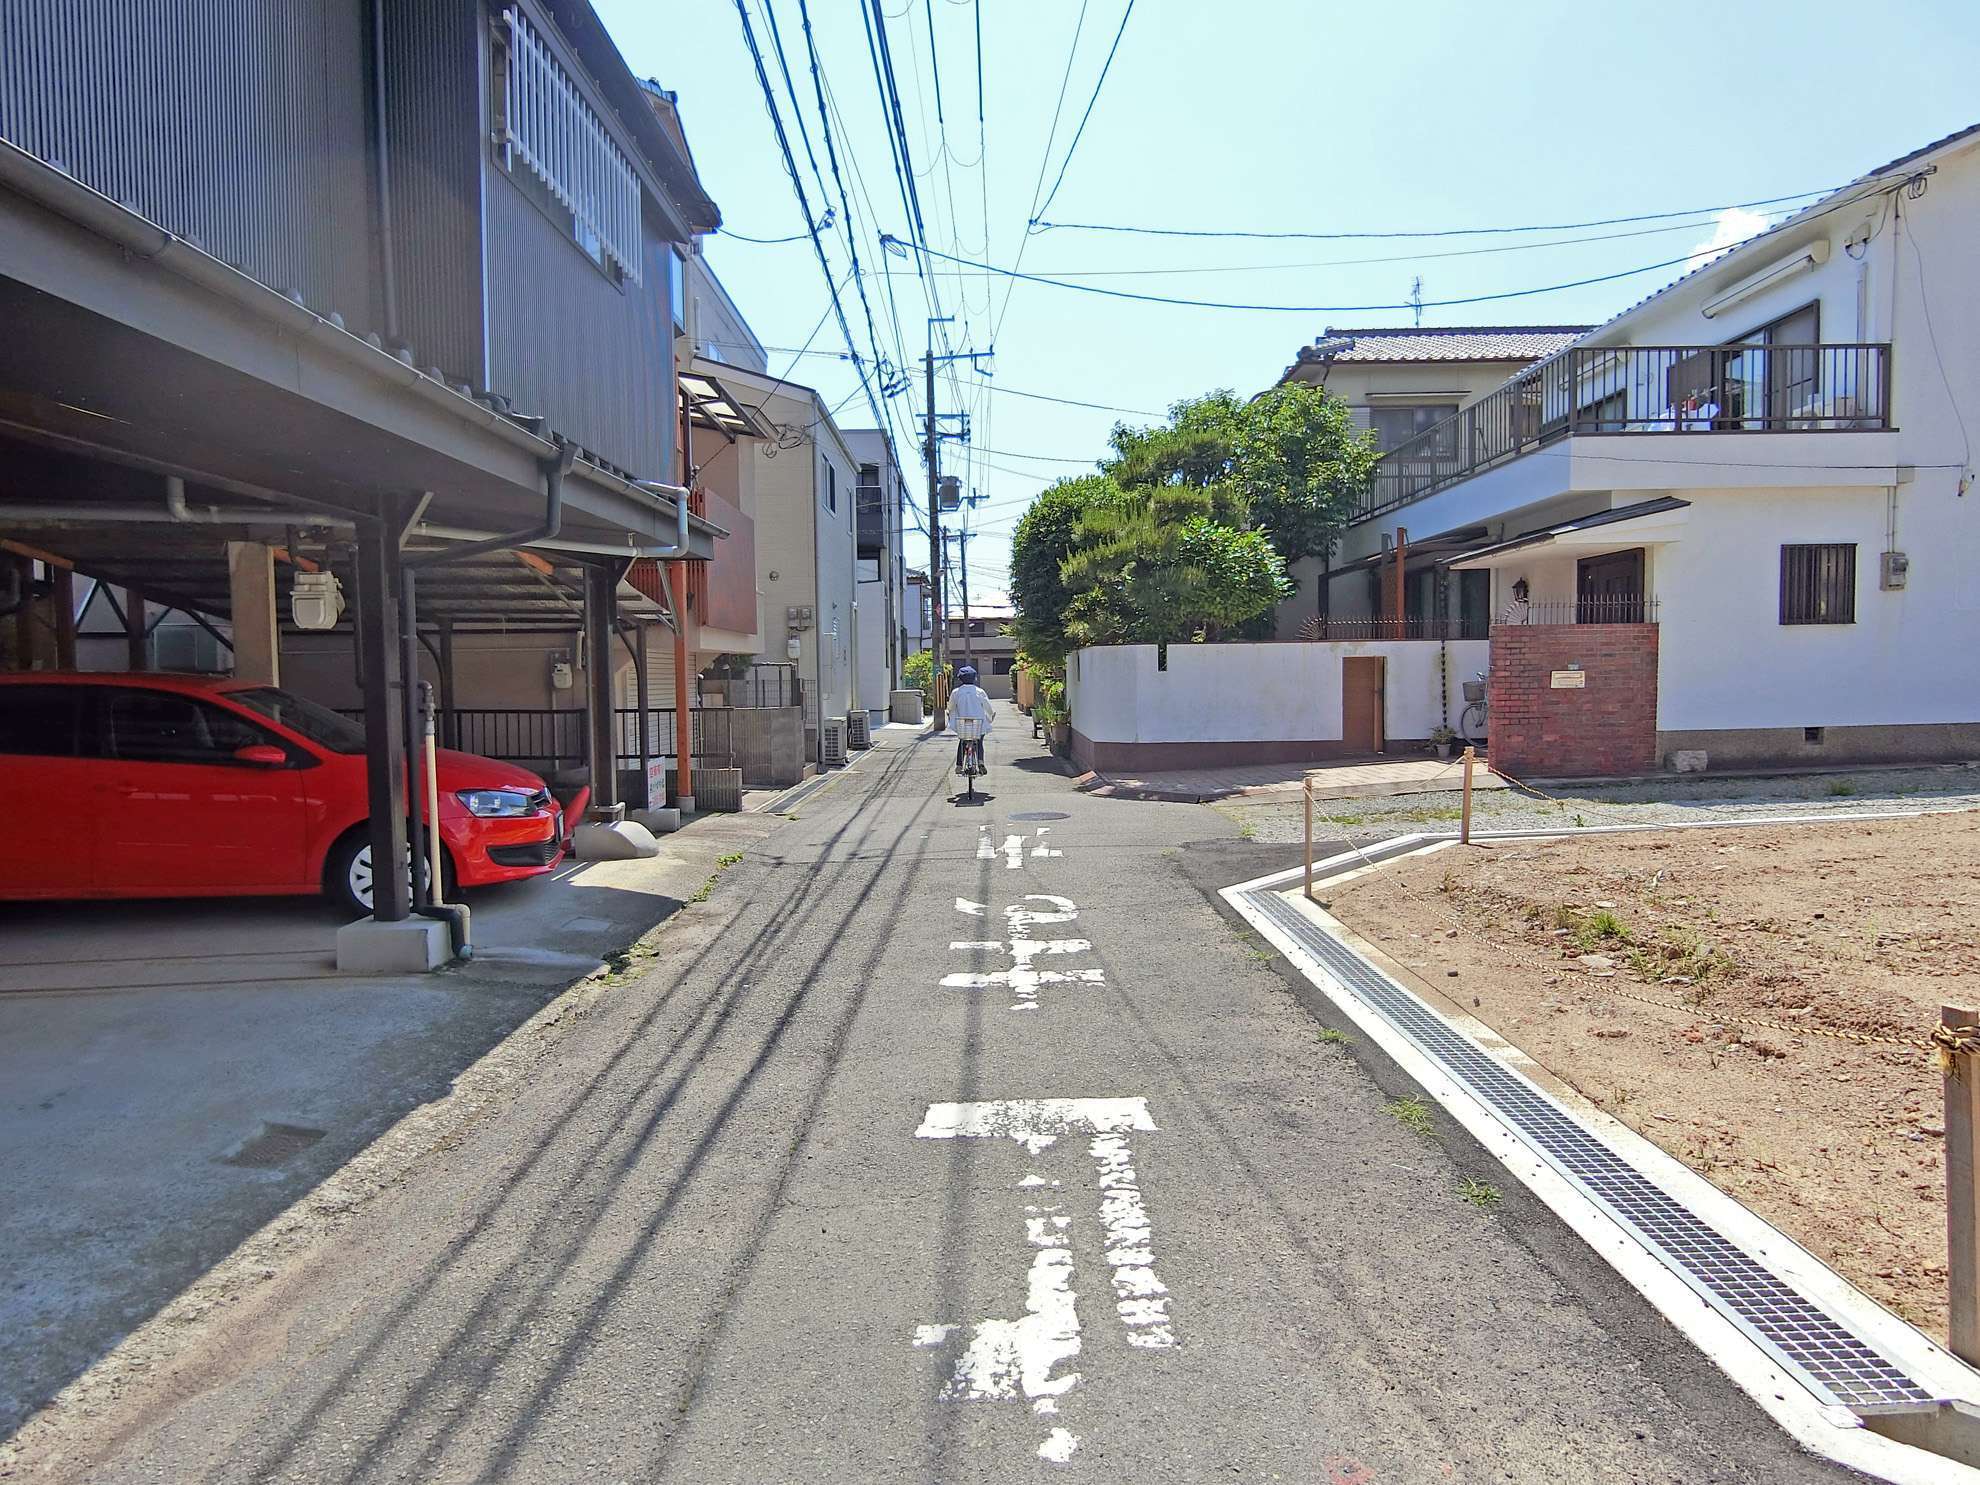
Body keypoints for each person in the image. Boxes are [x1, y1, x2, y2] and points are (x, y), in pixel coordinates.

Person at [947, 665, 994, 773]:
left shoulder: (956, 692)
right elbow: (988, 707)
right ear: (974, 678)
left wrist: (949, 712)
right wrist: (991, 715)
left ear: (960, 679)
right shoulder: (979, 691)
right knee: (979, 741)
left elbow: (951, 707)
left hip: (963, 724)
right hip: (978, 724)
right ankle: (980, 761)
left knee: (962, 742)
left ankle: (959, 765)